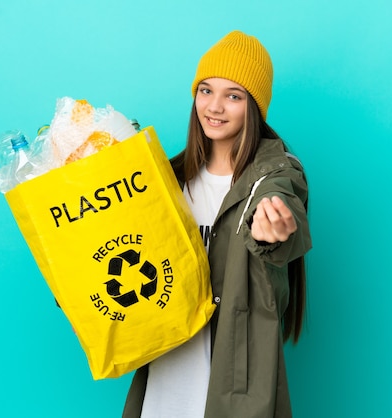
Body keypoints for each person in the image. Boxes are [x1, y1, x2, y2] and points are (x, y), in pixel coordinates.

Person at [123, 30, 312, 418]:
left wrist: (273, 231)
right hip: (167, 374)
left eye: (234, 96)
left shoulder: (275, 175)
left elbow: (282, 205)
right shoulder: (166, 180)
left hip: (234, 381)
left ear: (254, 107)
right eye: (206, 90)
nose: (215, 106)